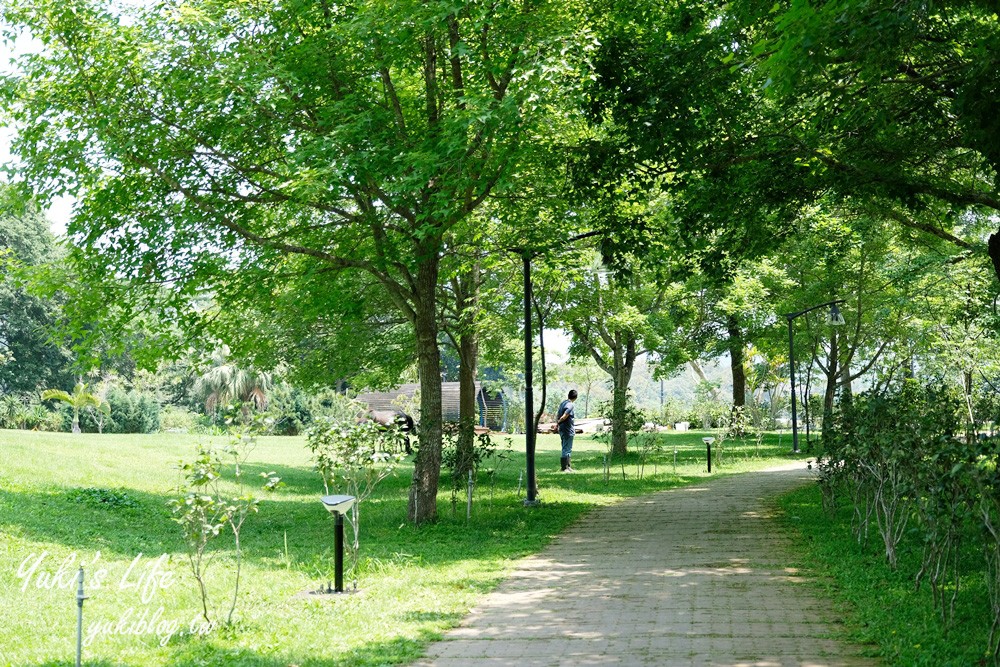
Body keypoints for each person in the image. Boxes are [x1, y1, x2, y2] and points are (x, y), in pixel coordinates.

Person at [556, 389, 578, 472]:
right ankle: (564, 467)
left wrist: (557, 423)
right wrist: (559, 421)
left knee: (565, 447)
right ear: (576, 397)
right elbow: (565, 415)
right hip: (568, 429)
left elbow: (558, 414)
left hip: (562, 429)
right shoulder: (570, 405)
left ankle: (568, 466)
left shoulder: (563, 403)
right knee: (567, 448)